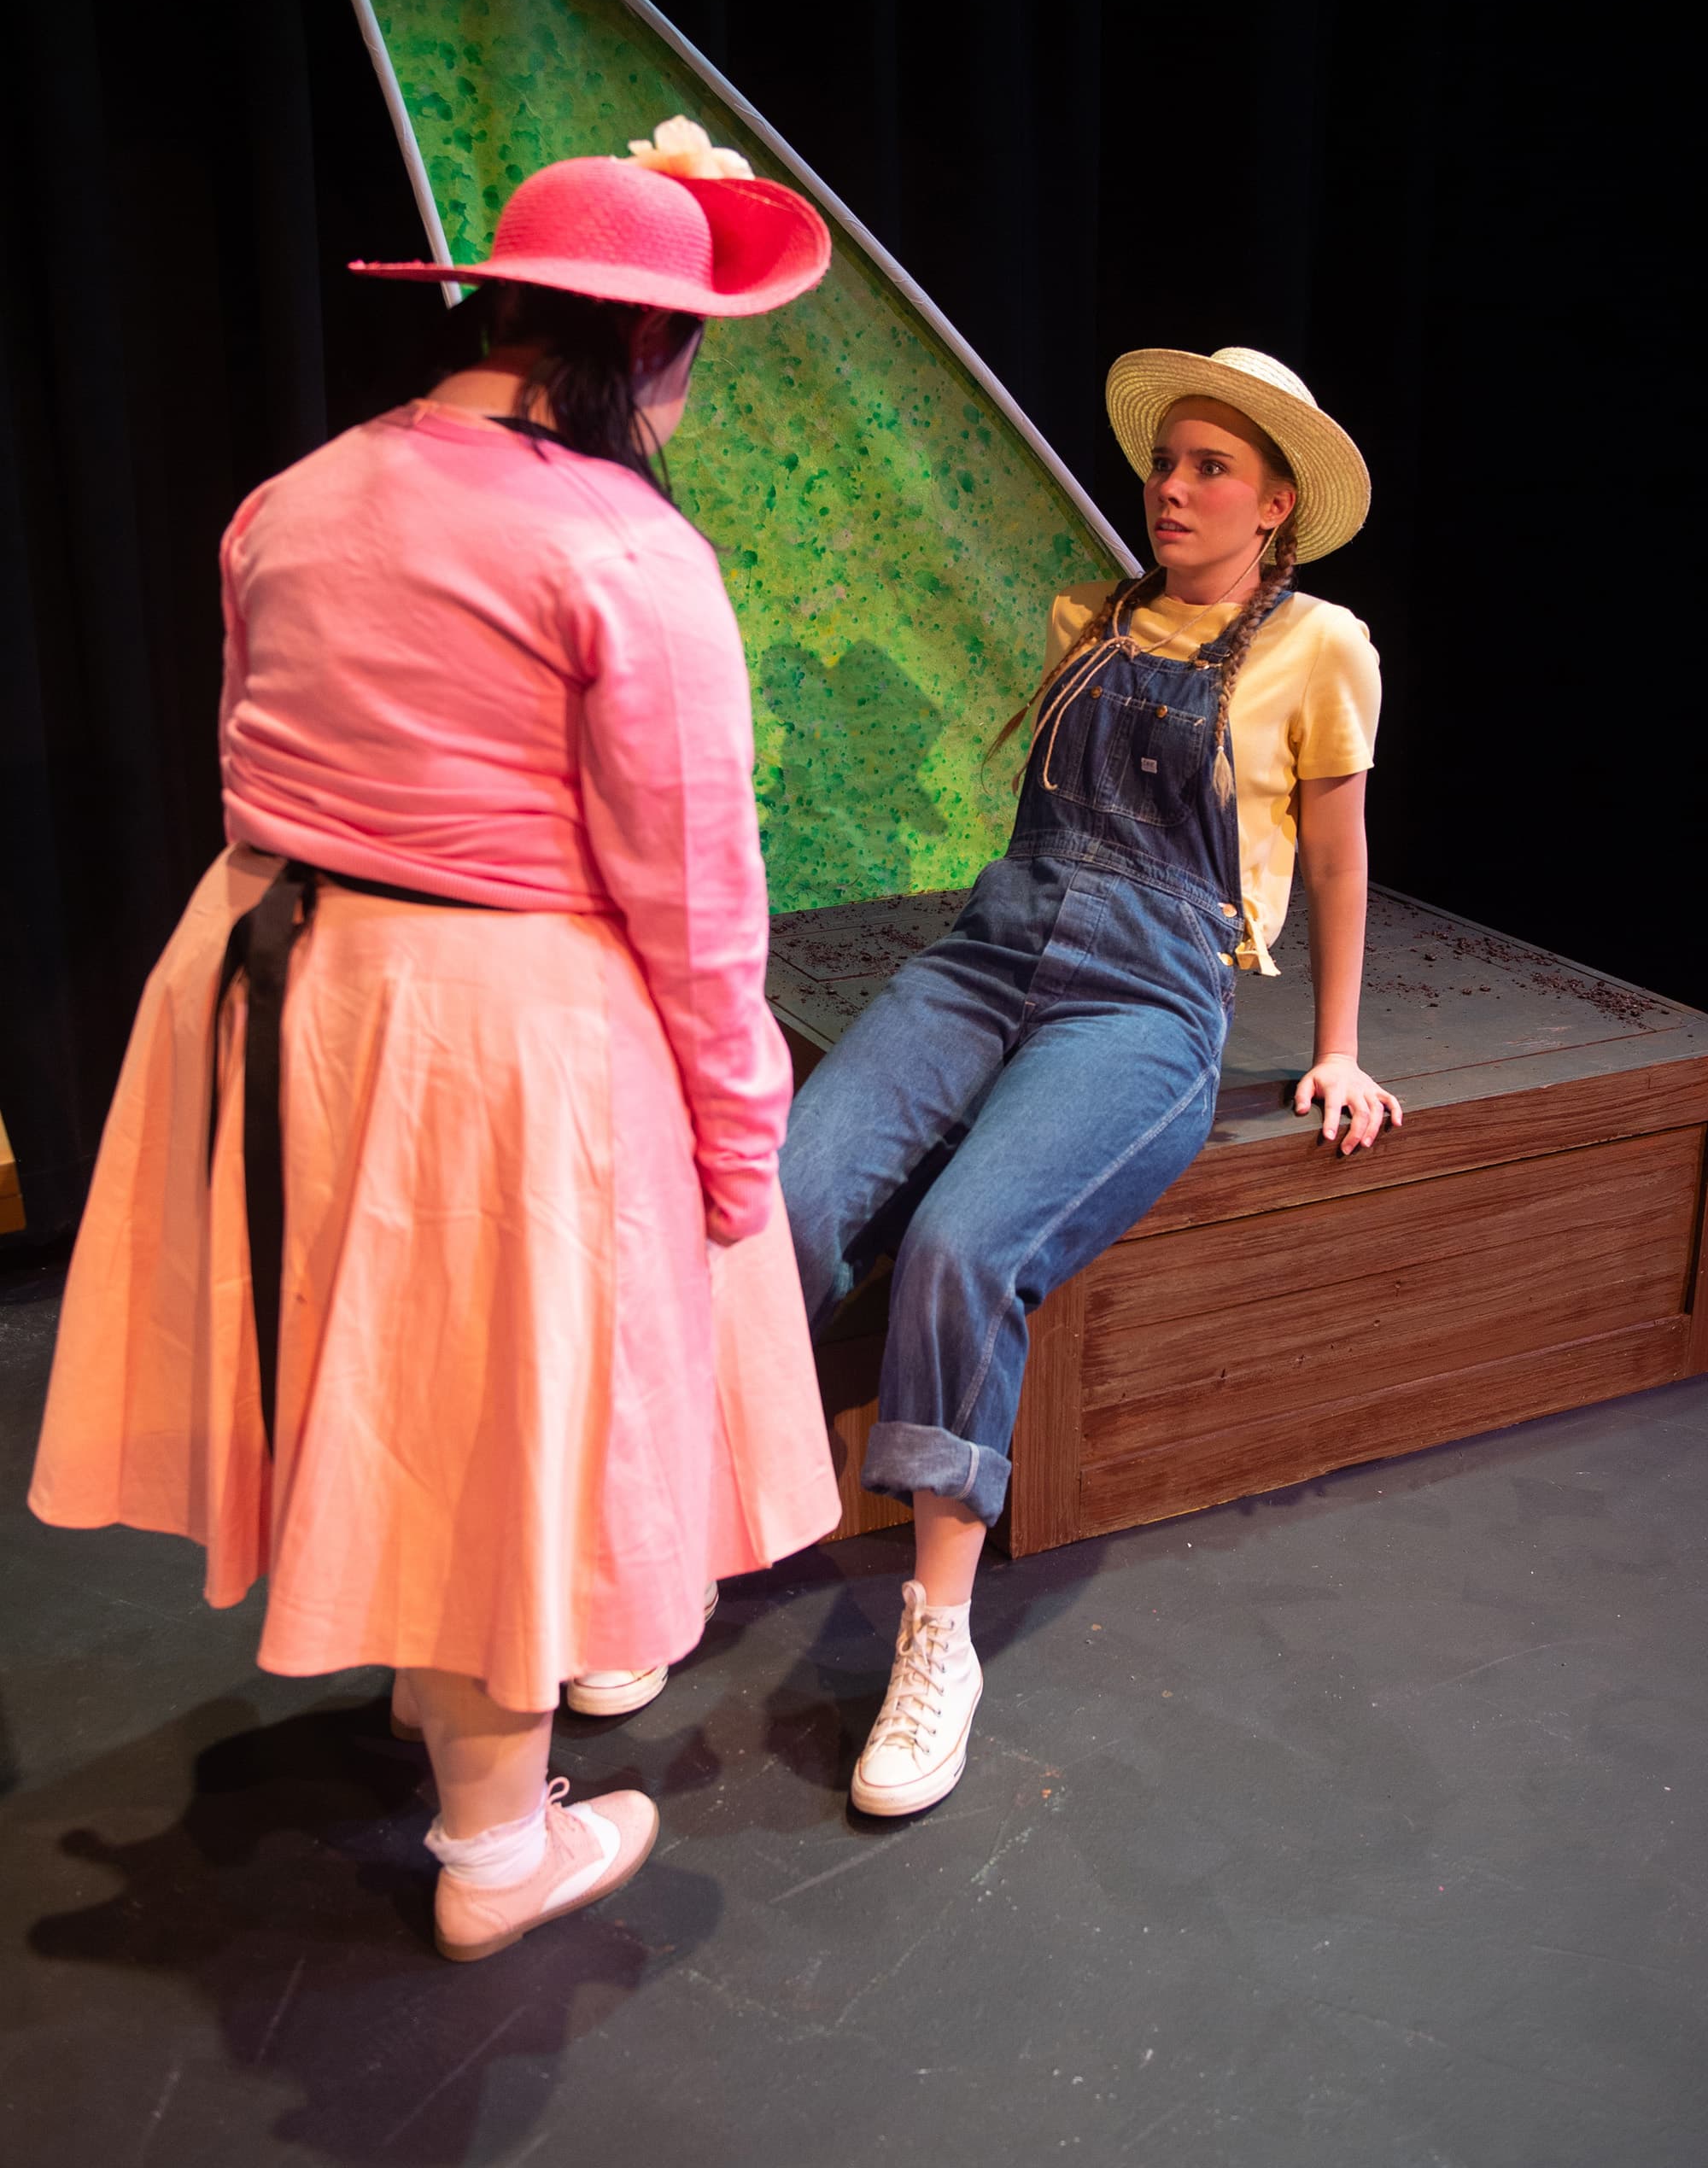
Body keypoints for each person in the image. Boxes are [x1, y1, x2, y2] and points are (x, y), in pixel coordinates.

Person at [30, 121, 842, 1961]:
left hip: (276, 979)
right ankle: (494, 1847)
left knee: (376, 1361)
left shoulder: (294, 491)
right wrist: (737, 1138)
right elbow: (700, 896)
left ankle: (439, 1683)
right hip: (493, 1022)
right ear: (648, 349)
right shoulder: (624, 552)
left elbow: (256, 755)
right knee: (494, 1398)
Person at [781, 345, 1401, 1817]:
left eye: (1208, 470)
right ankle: (676, 1535)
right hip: (995, 949)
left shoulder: (1324, 646)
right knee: (788, 1200)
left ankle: (939, 1634)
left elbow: (1335, 857)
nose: (1170, 490)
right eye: (1165, 463)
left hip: (1147, 993)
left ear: (1274, 508)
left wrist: (1336, 1041)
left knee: (962, 1244)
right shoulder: (1090, 617)